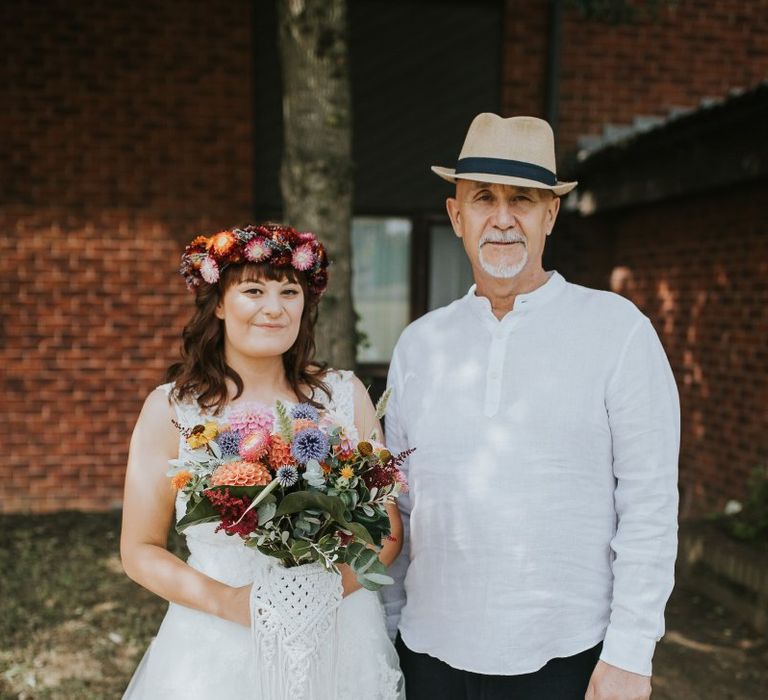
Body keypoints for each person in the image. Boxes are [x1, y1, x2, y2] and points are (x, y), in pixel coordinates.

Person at [381, 114, 679, 700]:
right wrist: (385, 631)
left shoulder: (618, 330)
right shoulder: (420, 342)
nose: (502, 218)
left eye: (523, 199)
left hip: (566, 656)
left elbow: (648, 506)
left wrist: (630, 654)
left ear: (551, 214)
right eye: (484, 198)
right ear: (455, 215)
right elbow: (399, 507)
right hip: (426, 654)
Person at [120, 223, 405, 699]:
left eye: (288, 291)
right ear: (218, 303)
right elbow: (140, 550)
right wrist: (232, 604)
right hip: (219, 640)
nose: (274, 308)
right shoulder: (172, 410)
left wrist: (319, 598)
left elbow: (387, 531)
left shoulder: (341, 396)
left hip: (337, 634)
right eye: (253, 290)